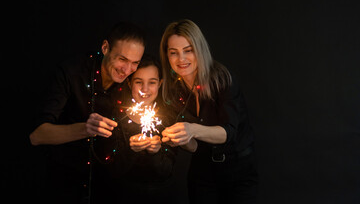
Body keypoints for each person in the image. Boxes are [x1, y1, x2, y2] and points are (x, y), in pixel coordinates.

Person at [29, 21, 145, 204]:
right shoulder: (72, 72)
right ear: (105, 47)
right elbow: (37, 135)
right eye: (122, 59)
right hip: (61, 186)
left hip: (106, 189)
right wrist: (86, 129)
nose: (127, 70)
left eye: (135, 63)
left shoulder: (132, 85)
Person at [160, 19, 258, 204]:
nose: (181, 59)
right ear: (167, 56)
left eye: (188, 50)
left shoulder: (222, 79)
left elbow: (228, 133)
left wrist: (192, 129)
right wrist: (180, 139)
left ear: (199, 49)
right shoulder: (173, 90)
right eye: (174, 53)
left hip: (238, 171)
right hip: (202, 172)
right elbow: (194, 147)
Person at [91, 55, 183, 204]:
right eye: (138, 82)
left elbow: (167, 170)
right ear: (129, 83)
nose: (145, 89)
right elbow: (111, 170)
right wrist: (130, 150)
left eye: (152, 82)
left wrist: (156, 152)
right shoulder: (115, 117)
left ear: (160, 84)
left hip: (161, 195)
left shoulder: (168, 120)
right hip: (122, 195)